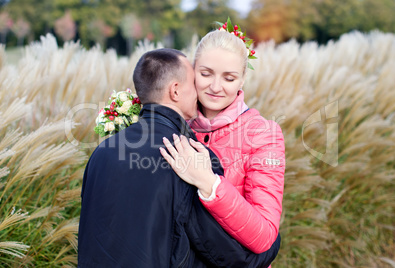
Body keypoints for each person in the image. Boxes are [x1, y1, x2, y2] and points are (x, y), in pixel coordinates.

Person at [78, 48, 281, 267]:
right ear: (175, 91)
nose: (203, 90)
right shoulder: (185, 154)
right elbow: (225, 253)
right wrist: (272, 245)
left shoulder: (102, 152)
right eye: (195, 81)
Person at [160, 27, 285, 255]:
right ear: (191, 72)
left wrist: (209, 183)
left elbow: (264, 237)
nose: (216, 87)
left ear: (242, 79)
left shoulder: (264, 134)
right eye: (206, 74)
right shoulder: (170, 125)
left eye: (229, 78)